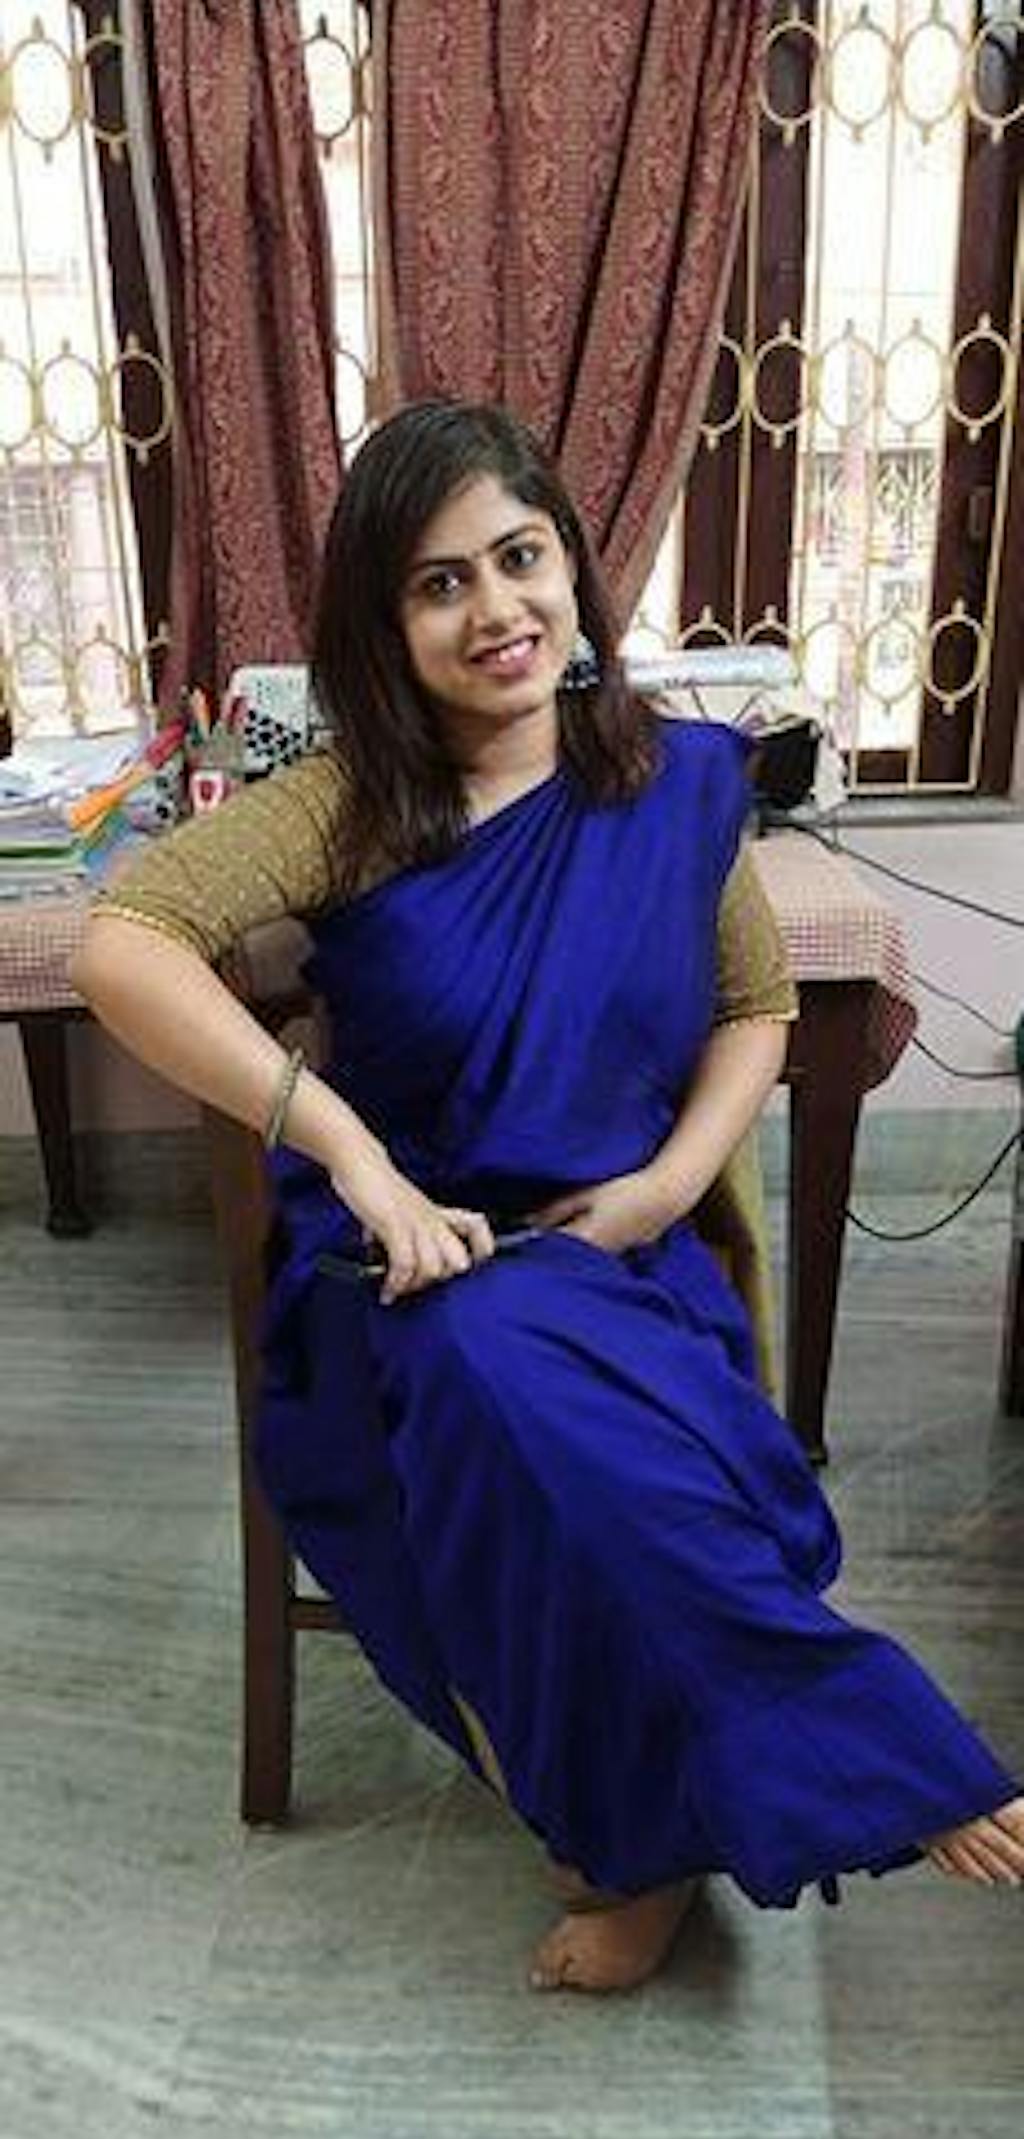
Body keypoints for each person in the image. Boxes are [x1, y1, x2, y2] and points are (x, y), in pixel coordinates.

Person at [73, 399, 1024, 1995]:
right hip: (408, 1260)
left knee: (565, 1418)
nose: (497, 610)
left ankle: (638, 1841)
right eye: (439, 584)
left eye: (520, 559)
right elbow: (121, 944)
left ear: (575, 568)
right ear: (386, 624)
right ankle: (833, 1759)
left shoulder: (670, 784)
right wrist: (356, 1158)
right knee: (484, 1371)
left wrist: (665, 1185)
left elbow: (756, 1009)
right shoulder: (349, 805)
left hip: (615, 1253)